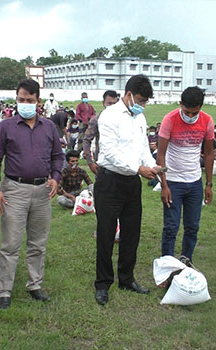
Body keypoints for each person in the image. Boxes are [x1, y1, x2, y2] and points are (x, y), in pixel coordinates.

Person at [0, 79, 63, 310]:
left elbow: (58, 156)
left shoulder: (48, 127)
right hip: (14, 190)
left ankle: (35, 284)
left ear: (38, 101)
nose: (25, 103)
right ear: (16, 99)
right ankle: (4, 291)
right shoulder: (6, 126)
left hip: (42, 190)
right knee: (10, 243)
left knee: (38, 243)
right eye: (21, 100)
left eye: (30, 100)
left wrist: (56, 177)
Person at [94, 74, 161, 305]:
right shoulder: (109, 116)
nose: (142, 105)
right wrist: (139, 168)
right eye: (140, 100)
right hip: (110, 182)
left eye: (145, 102)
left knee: (131, 233)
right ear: (129, 94)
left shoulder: (139, 119)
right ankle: (103, 284)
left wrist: (152, 166)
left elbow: (143, 148)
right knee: (105, 233)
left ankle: (126, 278)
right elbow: (110, 152)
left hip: (132, 183)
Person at [156, 86, 214, 262]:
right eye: (186, 112)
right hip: (173, 182)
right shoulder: (170, 119)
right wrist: (164, 185)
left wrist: (209, 184)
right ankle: (166, 266)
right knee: (171, 227)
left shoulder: (207, 121)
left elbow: (210, 153)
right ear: (180, 104)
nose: (190, 116)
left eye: (194, 113)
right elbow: (161, 154)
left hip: (195, 182)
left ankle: (186, 260)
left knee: (192, 226)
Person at [82, 90, 119, 175]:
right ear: (103, 103)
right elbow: (87, 140)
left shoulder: (123, 120)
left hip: (120, 163)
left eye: (114, 104)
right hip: (102, 163)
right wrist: (90, 162)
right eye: (109, 103)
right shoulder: (96, 120)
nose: (112, 106)